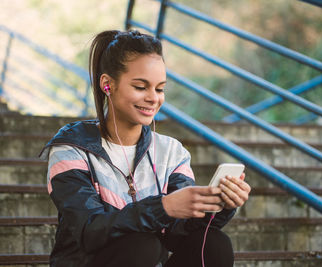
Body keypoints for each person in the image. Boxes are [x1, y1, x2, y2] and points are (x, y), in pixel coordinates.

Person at [39, 29, 251, 267]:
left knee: (214, 244)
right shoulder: (71, 149)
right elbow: (90, 230)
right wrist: (163, 206)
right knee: (142, 247)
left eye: (159, 89)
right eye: (141, 87)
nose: (153, 98)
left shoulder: (171, 153)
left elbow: (178, 235)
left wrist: (221, 206)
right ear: (107, 85)